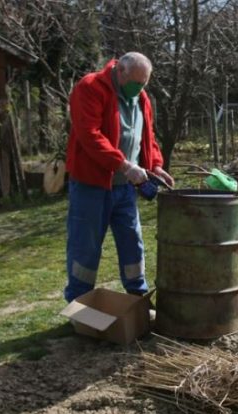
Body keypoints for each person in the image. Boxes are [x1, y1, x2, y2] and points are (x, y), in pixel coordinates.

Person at [63, 52, 174, 303]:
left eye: (144, 83)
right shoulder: (90, 88)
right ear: (120, 71)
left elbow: (147, 136)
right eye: (136, 82)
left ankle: (138, 297)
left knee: (132, 242)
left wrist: (154, 165)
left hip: (125, 188)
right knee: (86, 247)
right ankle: (79, 304)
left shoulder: (141, 97)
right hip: (91, 186)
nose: (140, 88)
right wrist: (124, 166)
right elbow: (90, 136)